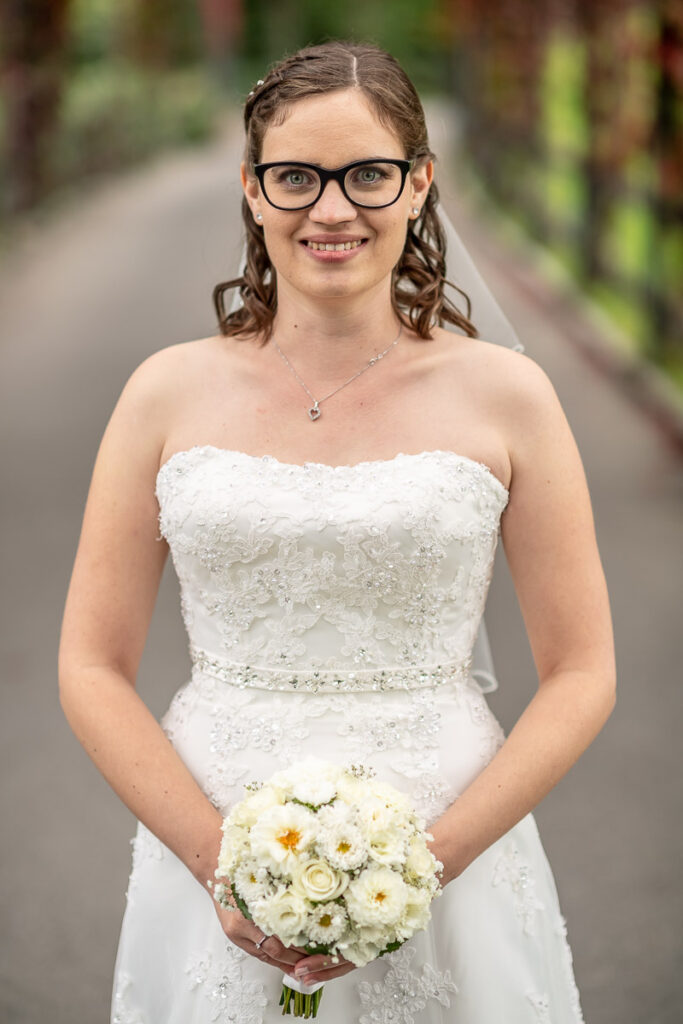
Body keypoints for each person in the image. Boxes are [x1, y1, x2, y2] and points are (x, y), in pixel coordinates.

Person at [59, 40, 616, 1024]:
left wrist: (424, 863)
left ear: (419, 183)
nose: (330, 209)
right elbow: (91, 665)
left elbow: (581, 671)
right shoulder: (162, 393)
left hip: (450, 839)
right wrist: (220, 863)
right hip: (213, 838)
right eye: (295, 177)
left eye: (367, 174)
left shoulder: (509, 397)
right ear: (251, 187)